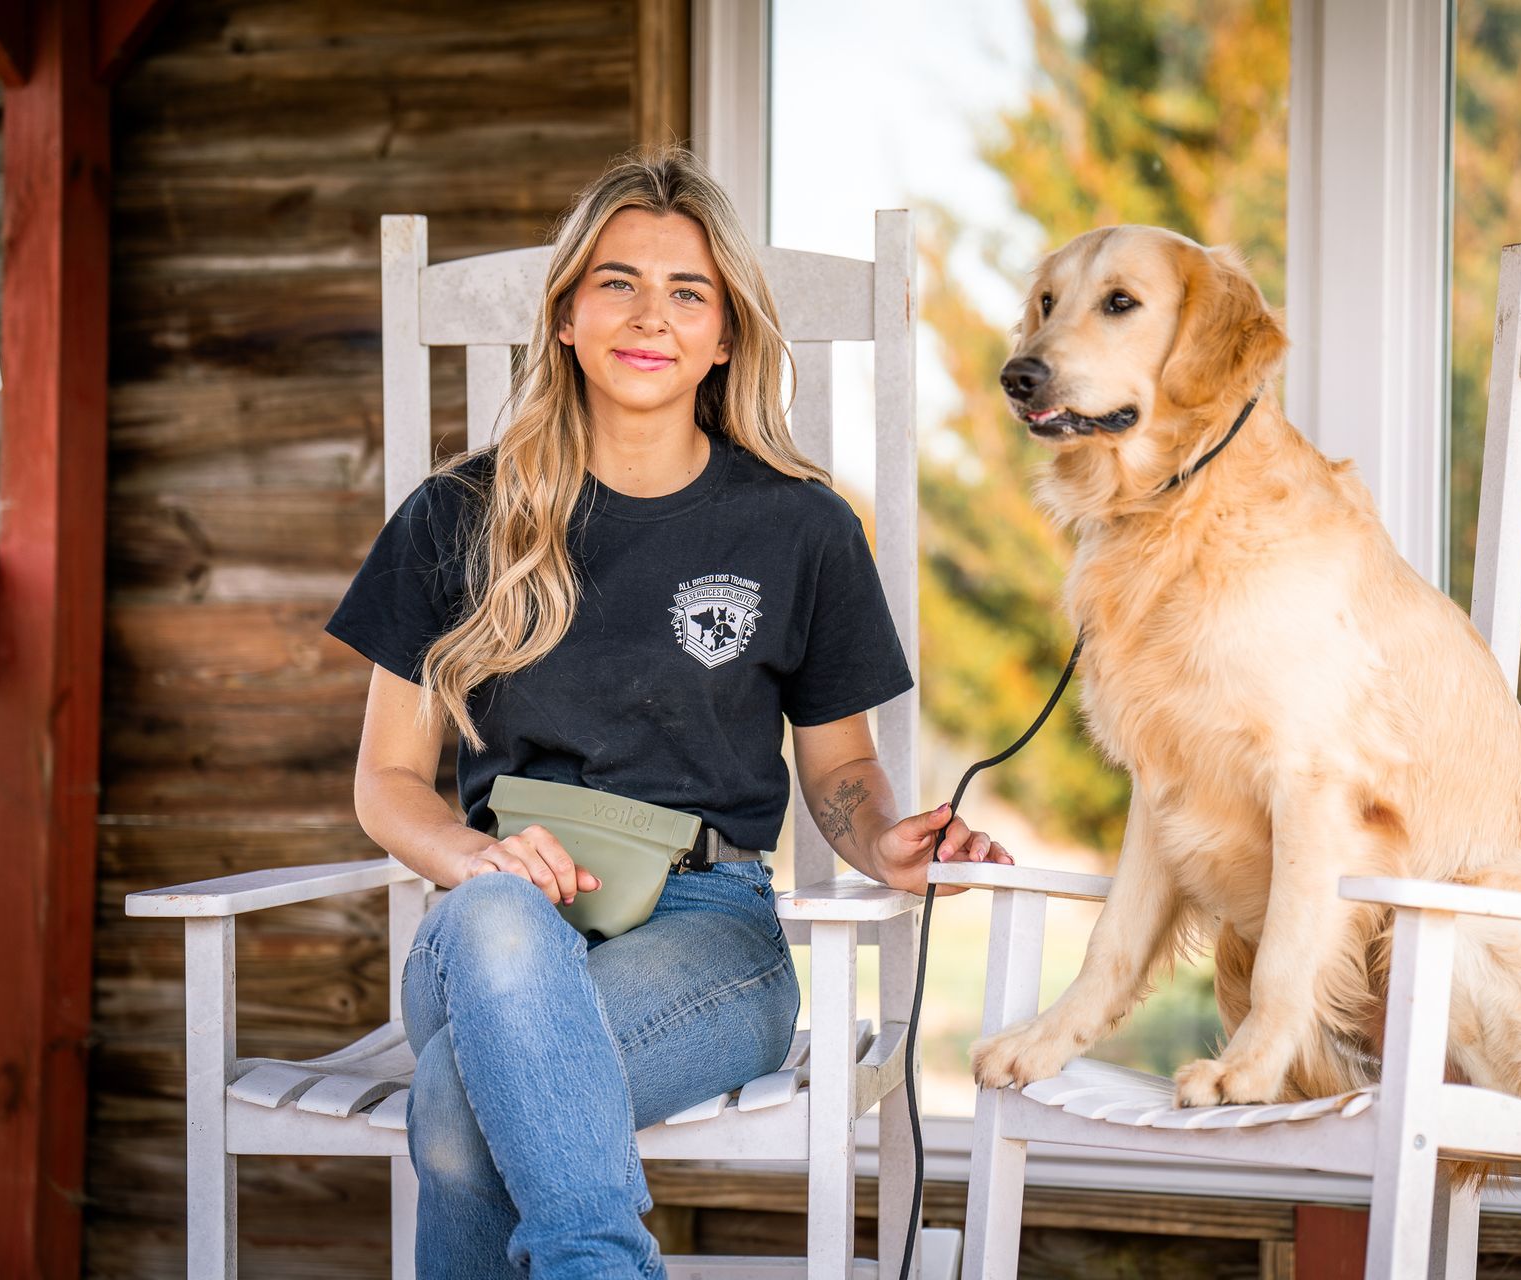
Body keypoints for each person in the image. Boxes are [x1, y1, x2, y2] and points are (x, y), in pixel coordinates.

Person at [325, 146, 1010, 1279]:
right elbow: (387, 779)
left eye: (689, 291)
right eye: (618, 282)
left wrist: (881, 836)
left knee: (455, 1097)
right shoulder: (460, 513)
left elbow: (840, 769)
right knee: (495, 912)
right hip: (503, 912)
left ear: (728, 331)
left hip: (713, 924)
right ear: (566, 317)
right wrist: (470, 856)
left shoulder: (800, 526)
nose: (652, 315)